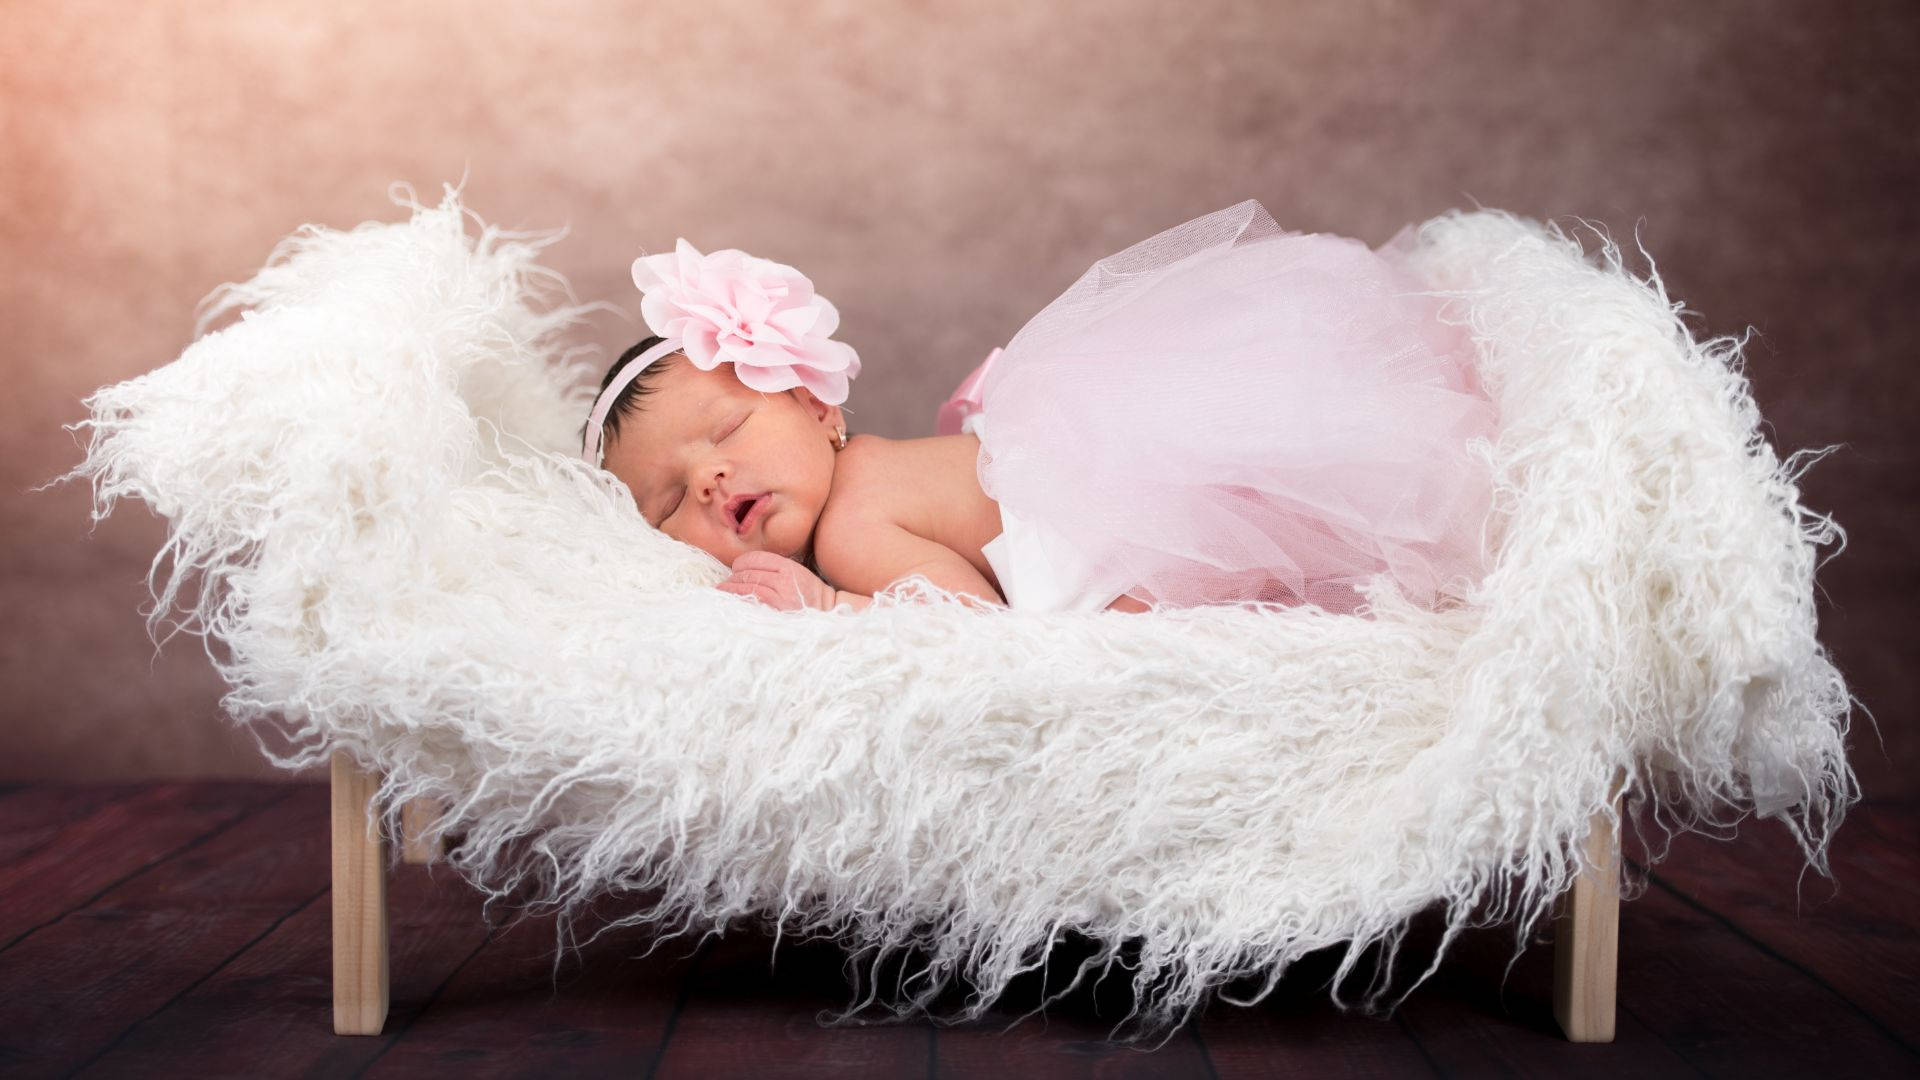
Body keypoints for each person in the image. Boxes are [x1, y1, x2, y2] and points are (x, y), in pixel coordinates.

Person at [583, 199, 1499, 617]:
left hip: (1114, 541)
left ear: (819, 407)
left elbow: (970, 634)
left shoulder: (855, 527)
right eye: (666, 503)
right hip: (1111, 483)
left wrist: (830, 609)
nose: (707, 479)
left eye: (730, 431)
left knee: (1240, 582)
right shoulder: (871, 479)